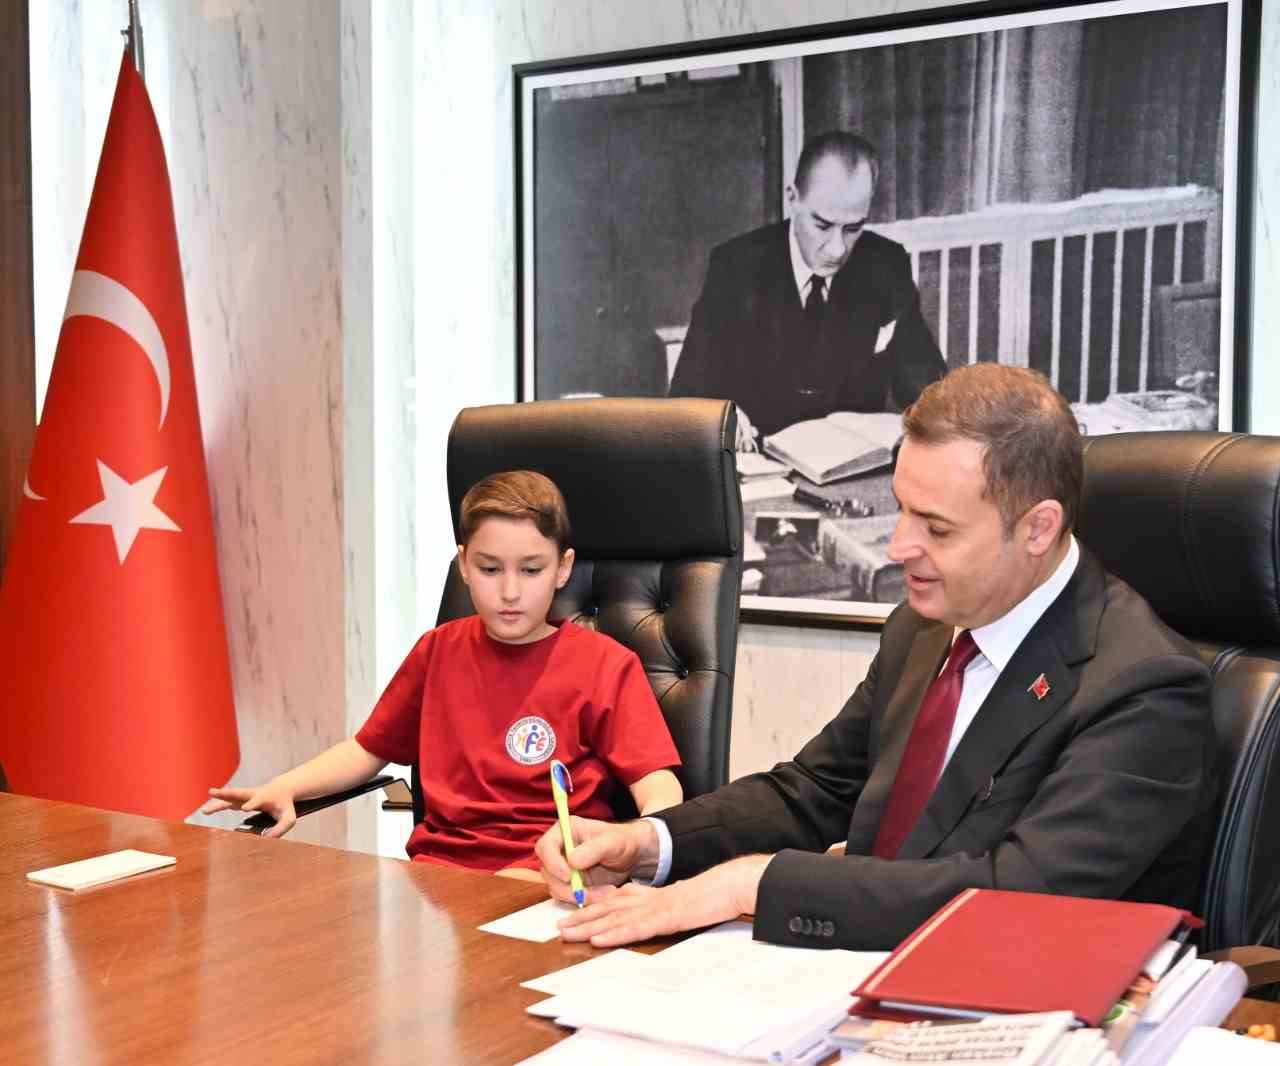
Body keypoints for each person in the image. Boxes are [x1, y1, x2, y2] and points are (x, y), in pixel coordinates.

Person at [537, 364, 1218, 949]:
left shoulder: (1144, 687)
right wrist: (648, 843)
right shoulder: (922, 629)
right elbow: (817, 792)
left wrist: (756, 883)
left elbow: (1019, 893)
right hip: (857, 973)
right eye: (900, 509)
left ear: (1038, 528)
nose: (897, 548)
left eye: (936, 528)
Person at [202, 470, 683, 878]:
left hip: (546, 880)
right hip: (436, 880)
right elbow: (368, 750)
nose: (510, 592)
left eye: (531, 570)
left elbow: (660, 789)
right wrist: (287, 786)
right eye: (490, 569)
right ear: (464, 566)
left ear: (563, 568)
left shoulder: (605, 665)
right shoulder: (437, 651)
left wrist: (630, 853)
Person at [668, 130, 946, 444]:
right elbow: (686, 397)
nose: (837, 249)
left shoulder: (886, 265)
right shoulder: (735, 268)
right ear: (792, 199)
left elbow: (929, 389)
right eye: (822, 225)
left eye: (853, 228)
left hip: (853, 465)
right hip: (762, 464)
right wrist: (721, 418)